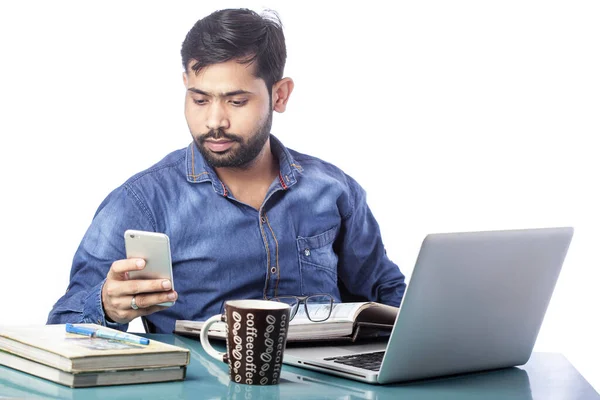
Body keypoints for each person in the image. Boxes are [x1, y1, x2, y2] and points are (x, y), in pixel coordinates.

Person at [47, 8, 406, 334]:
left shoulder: (333, 189)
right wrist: (107, 306)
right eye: (200, 100)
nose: (214, 121)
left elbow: (386, 295)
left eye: (236, 101)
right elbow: (61, 327)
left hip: (328, 383)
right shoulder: (142, 202)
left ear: (279, 96)